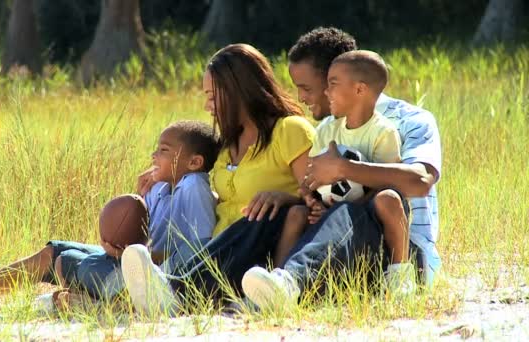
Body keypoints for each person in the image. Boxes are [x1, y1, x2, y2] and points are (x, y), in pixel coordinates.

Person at [241, 27, 442, 310]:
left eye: (308, 88)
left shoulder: (410, 121)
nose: (302, 98)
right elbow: (323, 187)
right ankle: (187, 285)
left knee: (348, 211)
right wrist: (290, 198)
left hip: (401, 251)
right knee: (283, 212)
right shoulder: (328, 129)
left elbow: (420, 181)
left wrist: (344, 168)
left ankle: (290, 282)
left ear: (341, 80)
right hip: (350, 251)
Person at [120, 43, 315, 316]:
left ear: (238, 90)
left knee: (262, 215)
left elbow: (317, 201)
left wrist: (285, 197)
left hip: (264, 242)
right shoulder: (227, 145)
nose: (206, 105)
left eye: (212, 96)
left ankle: (175, 294)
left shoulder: (290, 130)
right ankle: (162, 289)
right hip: (220, 245)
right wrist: (166, 182)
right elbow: (225, 201)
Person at [0, 120, 219, 306]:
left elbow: (195, 250)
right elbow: (145, 235)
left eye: (164, 151)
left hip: (157, 280)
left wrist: (129, 254)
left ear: (194, 162)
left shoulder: (194, 185)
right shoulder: (162, 188)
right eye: (156, 149)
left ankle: (98, 304)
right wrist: (139, 198)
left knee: (71, 262)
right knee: (54, 252)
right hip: (131, 263)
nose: (153, 156)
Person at [274, 50, 409, 288]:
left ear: (359, 90)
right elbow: (309, 179)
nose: (326, 91)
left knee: (388, 198)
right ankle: (279, 276)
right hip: (330, 212)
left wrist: (336, 208)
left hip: (368, 220)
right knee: (296, 214)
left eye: (333, 84)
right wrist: (313, 201)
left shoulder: (383, 133)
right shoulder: (327, 130)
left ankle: (399, 275)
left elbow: (385, 185)